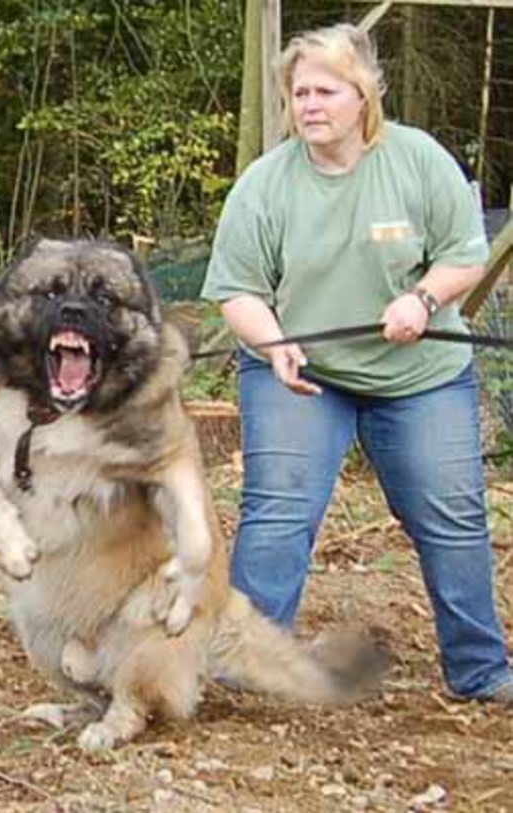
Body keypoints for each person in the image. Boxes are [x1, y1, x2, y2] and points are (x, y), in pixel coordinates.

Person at [201, 23, 512, 704]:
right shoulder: (265, 185)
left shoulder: (417, 160)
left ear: (362, 93)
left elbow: (463, 252)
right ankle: (241, 667)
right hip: (302, 374)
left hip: (419, 375)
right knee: (277, 513)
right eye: (298, 92)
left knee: (451, 515)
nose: (309, 104)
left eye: (325, 90)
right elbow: (237, 289)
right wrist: (275, 343)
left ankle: (480, 669)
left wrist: (422, 299)